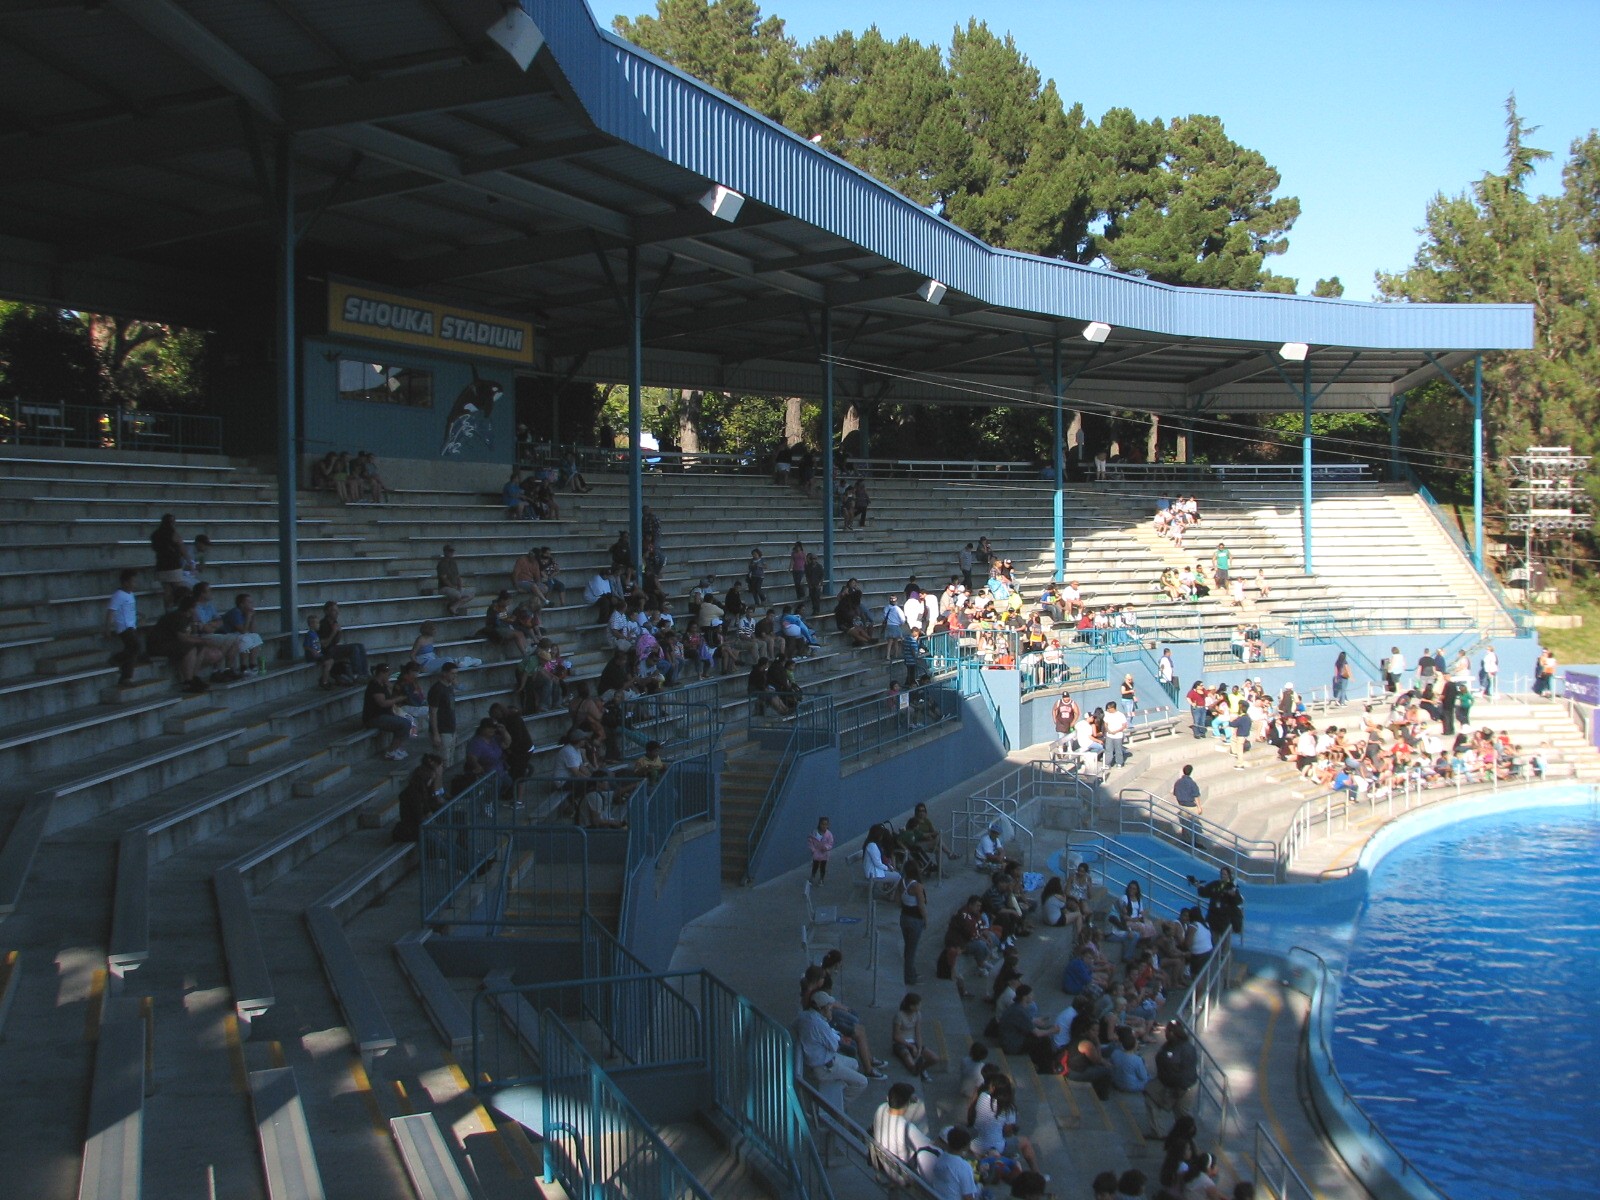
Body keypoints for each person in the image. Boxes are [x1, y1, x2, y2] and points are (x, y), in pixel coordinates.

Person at [796, 990, 869, 1103]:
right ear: (823, 1008)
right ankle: (837, 1106)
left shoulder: (805, 1016)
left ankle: (835, 1097)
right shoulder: (820, 1025)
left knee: (854, 1064)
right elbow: (834, 1046)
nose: (831, 1010)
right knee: (862, 1082)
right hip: (824, 1068)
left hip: (819, 1061)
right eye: (829, 1008)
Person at [870, 1082, 937, 1187]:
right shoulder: (906, 1128)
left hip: (882, 1159)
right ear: (906, 1103)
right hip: (900, 1171)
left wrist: (908, 1100)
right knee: (931, 1154)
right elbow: (929, 1145)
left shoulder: (881, 1108)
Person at [1144, 1022, 1200, 1137]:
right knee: (1150, 1096)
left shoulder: (1186, 1049)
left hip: (1183, 1087)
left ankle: (1186, 1137)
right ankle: (1157, 1131)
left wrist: (1178, 1090)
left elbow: (1186, 1074)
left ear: (1172, 1033)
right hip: (1166, 1081)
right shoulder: (1170, 1044)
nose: (1165, 1033)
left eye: (1167, 1031)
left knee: (1182, 1113)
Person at [392, 754, 445, 843]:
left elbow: (439, 797)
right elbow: (421, 816)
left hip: (425, 822)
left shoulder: (426, 788)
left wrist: (437, 778)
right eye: (440, 766)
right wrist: (437, 829)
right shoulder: (413, 794)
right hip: (416, 828)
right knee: (439, 840)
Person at [104, 568, 143, 687]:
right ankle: (116, 659)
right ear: (125, 582)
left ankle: (126, 677)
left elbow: (129, 610)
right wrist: (107, 628)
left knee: (133, 651)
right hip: (124, 627)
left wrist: (138, 616)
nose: (135, 584)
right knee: (135, 647)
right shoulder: (118, 595)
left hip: (132, 626)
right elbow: (111, 611)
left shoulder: (130, 595)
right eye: (133, 582)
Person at [891, 992, 940, 1080]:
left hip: (913, 1041)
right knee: (908, 1059)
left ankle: (920, 1069)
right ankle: (918, 1069)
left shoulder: (917, 1014)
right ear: (911, 1006)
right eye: (918, 1005)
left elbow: (918, 1033)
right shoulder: (899, 1016)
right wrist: (911, 1046)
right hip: (901, 1043)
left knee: (935, 1058)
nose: (920, 1006)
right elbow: (896, 1036)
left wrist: (920, 1048)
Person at [899, 863, 929, 985]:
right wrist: (926, 919)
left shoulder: (902, 883)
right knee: (911, 950)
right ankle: (910, 978)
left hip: (904, 917)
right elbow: (921, 905)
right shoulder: (917, 886)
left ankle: (910, 972)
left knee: (908, 947)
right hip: (915, 920)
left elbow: (897, 900)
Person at [1108, 1027, 1150, 1094]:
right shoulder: (1137, 1060)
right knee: (1149, 1077)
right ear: (1134, 1046)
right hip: (1131, 1086)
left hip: (1116, 1082)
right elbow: (1143, 1077)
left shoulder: (1115, 1053)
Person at [1173, 765, 1202, 848]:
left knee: (1185, 824)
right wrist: (1199, 807)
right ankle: (1196, 842)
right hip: (1191, 805)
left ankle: (1186, 840)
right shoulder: (1192, 783)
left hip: (1182, 805)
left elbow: (1175, 793)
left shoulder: (1178, 782)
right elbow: (1196, 796)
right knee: (1195, 824)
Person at [1103, 700, 1130, 768]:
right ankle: (1107, 763)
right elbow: (1105, 723)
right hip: (1109, 735)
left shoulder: (1120, 715)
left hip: (1118, 736)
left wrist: (1116, 731)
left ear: (1113, 708)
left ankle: (1119, 763)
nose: (1108, 710)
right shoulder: (1107, 715)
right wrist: (1108, 730)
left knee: (1118, 749)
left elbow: (1124, 725)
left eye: (1109, 708)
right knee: (1108, 750)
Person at [809, 816, 834, 883]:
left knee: (823, 867)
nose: (824, 826)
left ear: (828, 825)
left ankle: (821, 878)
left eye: (826, 824)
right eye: (822, 824)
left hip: (824, 854)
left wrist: (826, 847)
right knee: (815, 865)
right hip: (816, 853)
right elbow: (810, 841)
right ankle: (813, 875)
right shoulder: (815, 832)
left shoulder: (829, 834)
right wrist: (813, 849)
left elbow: (830, 843)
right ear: (819, 824)